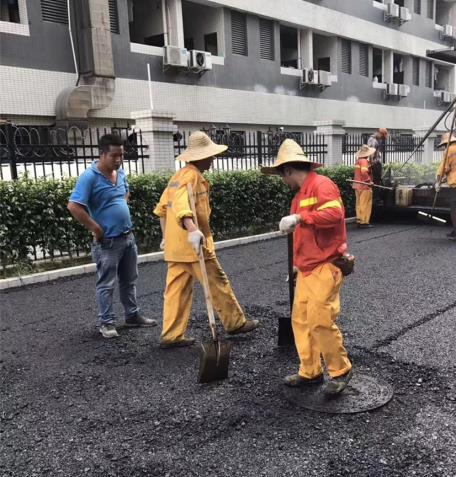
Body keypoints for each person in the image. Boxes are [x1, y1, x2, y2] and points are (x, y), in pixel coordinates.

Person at [261, 139, 353, 396]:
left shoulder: (321, 185)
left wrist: (302, 217)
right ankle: (310, 371)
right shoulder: (298, 198)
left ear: (288, 170)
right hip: (306, 269)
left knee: (320, 320)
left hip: (325, 265)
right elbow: (300, 238)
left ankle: (340, 370)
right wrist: (295, 266)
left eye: (282, 176)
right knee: (301, 320)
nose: (283, 181)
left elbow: (334, 216)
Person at [153, 131, 259, 349]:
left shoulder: (177, 176)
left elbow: (162, 210)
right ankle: (235, 323)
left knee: (176, 290)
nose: (213, 159)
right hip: (193, 246)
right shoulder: (191, 177)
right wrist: (192, 230)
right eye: (210, 155)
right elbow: (182, 206)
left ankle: (171, 334)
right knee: (217, 282)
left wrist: (165, 238)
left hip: (176, 247)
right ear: (199, 157)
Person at [67, 134, 157, 338]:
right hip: (107, 242)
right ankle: (106, 323)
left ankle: (132, 316)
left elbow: (126, 193)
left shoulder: (121, 174)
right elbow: (74, 206)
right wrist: (96, 229)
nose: (118, 160)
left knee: (129, 280)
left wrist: (120, 204)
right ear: (102, 154)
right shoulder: (89, 177)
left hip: (127, 237)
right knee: (106, 283)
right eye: (114, 156)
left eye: (121, 155)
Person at [352, 144, 376, 228]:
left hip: (357, 185)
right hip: (364, 186)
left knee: (359, 203)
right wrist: (369, 181)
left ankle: (359, 220)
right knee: (365, 203)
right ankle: (364, 222)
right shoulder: (364, 161)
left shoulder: (358, 161)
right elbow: (364, 172)